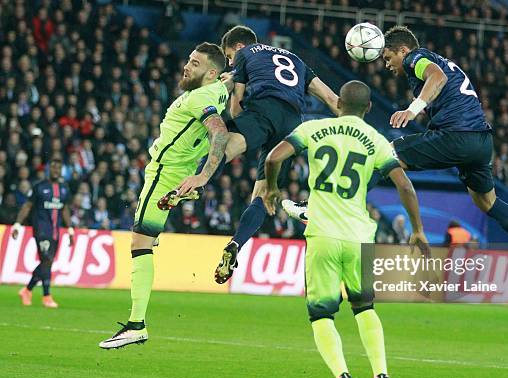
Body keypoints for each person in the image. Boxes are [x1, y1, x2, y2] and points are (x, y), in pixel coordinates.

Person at [285, 26, 508, 273]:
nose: (388, 65)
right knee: (487, 202)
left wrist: (413, 109)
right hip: (481, 141)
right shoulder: (441, 61)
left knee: (384, 154)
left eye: (388, 58)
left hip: (455, 135)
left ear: (403, 50)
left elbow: (435, 77)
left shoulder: (416, 58)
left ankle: (319, 210)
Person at [263, 81, 429, 378]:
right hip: (358, 237)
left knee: (321, 316)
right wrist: (418, 229)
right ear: (368, 108)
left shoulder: (314, 127)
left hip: (322, 234)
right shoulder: (378, 142)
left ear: (337, 103)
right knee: (365, 308)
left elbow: (273, 158)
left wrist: (271, 189)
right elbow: (405, 186)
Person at [173, 25, 340, 285]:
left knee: (224, 148)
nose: (230, 62)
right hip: (293, 123)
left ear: (237, 47)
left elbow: (238, 104)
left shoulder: (245, 54)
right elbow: (331, 98)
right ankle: (236, 243)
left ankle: (197, 182)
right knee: (264, 196)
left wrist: (238, 120)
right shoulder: (297, 61)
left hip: (264, 110)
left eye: (228, 57)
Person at [98, 42, 230, 349]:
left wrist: (202, 176)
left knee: (140, 242)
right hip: (177, 170)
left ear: (210, 72)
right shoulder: (217, 89)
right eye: (189, 59)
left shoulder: (199, 98)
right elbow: (230, 80)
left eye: (195, 63)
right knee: (146, 239)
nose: (187, 65)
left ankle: (136, 324)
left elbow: (219, 132)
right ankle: (181, 195)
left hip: (164, 172)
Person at [12, 157, 74, 308]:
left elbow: (64, 209)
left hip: (55, 231)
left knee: (48, 262)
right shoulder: (39, 187)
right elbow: (27, 206)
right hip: (41, 230)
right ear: (48, 169)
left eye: (58, 168)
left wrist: (70, 229)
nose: (55, 170)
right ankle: (47, 296)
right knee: (46, 260)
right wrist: (17, 224)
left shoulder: (64, 188)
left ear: (61, 171)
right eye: (53, 168)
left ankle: (27, 290)